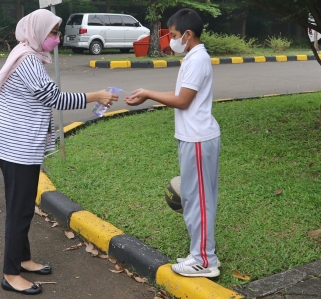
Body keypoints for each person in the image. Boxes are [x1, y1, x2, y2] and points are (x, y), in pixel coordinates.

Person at [0, 9, 118, 295]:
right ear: (37, 32)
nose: (56, 38)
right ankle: (10, 274)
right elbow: (54, 98)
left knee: (19, 207)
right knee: (20, 211)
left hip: (15, 146)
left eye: (57, 32)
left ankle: (22, 259)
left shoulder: (25, 53)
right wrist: (95, 96)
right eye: (52, 33)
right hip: (17, 148)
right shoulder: (28, 61)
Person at [125, 8, 220, 278]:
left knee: (198, 201)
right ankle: (199, 252)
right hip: (194, 137)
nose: (172, 40)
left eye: (175, 35)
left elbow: (182, 101)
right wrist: (147, 94)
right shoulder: (193, 57)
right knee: (195, 198)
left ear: (188, 35)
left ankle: (204, 260)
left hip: (198, 138)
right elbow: (181, 94)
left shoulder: (197, 59)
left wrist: (148, 94)